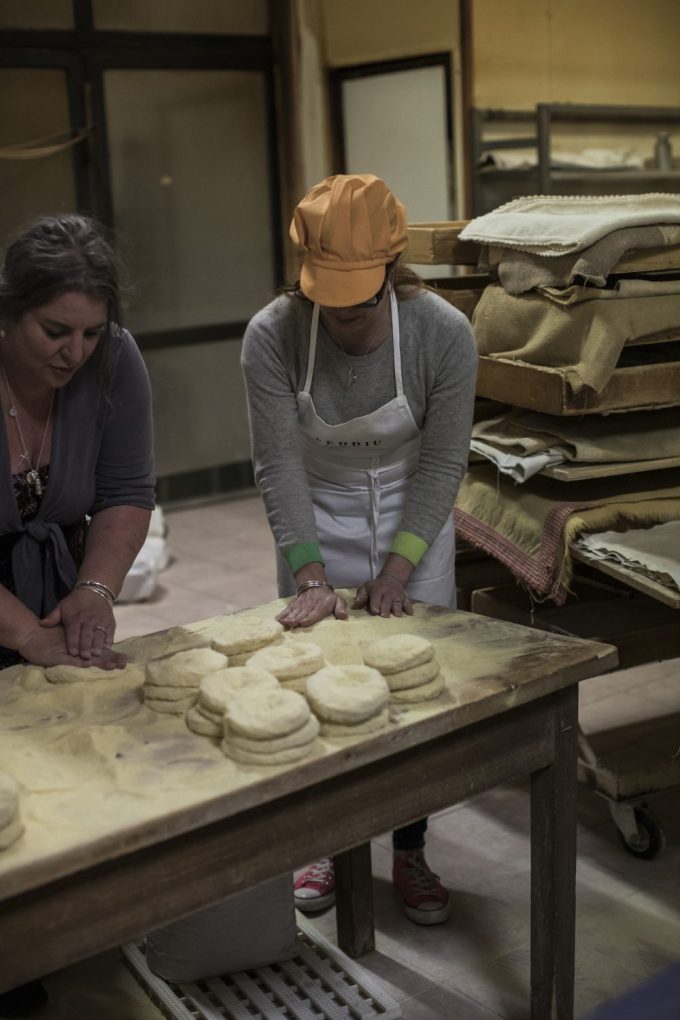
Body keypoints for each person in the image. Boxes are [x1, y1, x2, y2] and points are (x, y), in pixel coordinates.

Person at [241, 174, 478, 925]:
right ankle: (322, 842)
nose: (343, 322)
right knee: (316, 678)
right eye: (326, 305)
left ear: (393, 272)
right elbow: (277, 464)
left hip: (414, 509)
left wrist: (400, 566)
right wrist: (309, 570)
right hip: (316, 509)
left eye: (361, 303)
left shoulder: (444, 334)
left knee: (411, 692)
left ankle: (409, 847)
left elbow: (444, 462)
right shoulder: (272, 335)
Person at [0, 214, 155, 1015]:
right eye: (54, 330)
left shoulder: (113, 360)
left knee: (61, 764)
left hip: (54, 569)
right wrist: (25, 634)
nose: (75, 352)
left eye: (92, 333)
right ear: (7, 310)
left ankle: (60, 927)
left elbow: (127, 489)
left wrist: (94, 592)